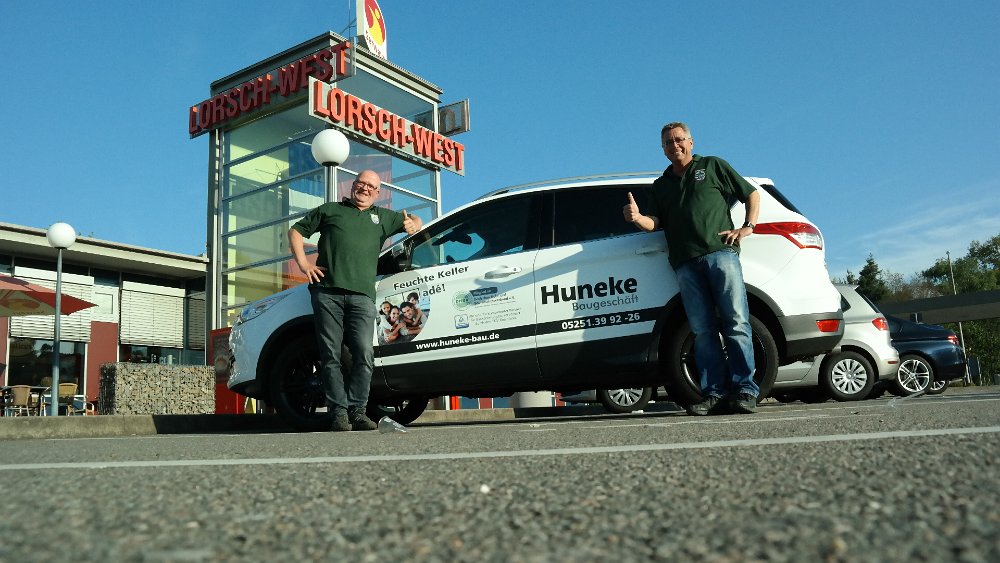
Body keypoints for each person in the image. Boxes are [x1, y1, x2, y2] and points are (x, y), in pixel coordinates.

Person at [623, 122, 761, 415]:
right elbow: (653, 223)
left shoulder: (712, 166)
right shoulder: (661, 186)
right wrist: (636, 218)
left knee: (736, 323)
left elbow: (751, 194)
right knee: (702, 331)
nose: (674, 145)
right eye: (668, 142)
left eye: (679, 139)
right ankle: (714, 393)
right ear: (662, 149)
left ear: (691, 142)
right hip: (685, 264)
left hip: (721, 254)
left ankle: (745, 390)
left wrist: (747, 226)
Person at [289, 169, 422, 431]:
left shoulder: (383, 217)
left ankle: (358, 411)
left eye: (371, 186)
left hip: (362, 297)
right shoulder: (330, 210)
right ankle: (338, 414)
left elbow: (415, 219)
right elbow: (295, 231)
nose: (365, 189)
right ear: (353, 185)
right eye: (361, 183)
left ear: (377, 192)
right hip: (327, 292)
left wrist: (414, 224)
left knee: (364, 353)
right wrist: (304, 264)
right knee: (331, 356)